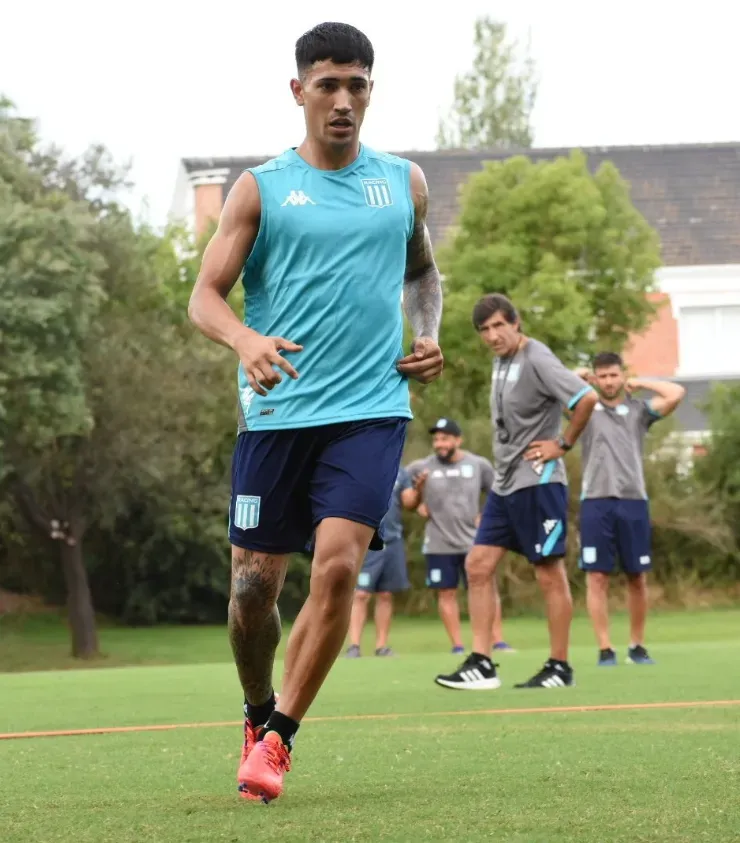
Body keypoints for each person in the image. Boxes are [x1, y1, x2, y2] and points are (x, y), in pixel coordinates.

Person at [187, 22, 443, 803]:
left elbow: (424, 274)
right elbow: (203, 297)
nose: (342, 101)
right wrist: (244, 339)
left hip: (369, 411)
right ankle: (257, 708)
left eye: (356, 85)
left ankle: (280, 739)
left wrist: (427, 332)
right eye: (327, 85)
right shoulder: (260, 188)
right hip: (276, 415)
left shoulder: (403, 183)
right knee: (250, 595)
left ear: (371, 91)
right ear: (298, 91)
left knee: (337, 566)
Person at [435, 293, 597, 691]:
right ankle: (482, 663)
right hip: (506, 486)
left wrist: (563, 443)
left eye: (498, 326)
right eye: (485, 330)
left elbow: (585, 398)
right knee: (477, 566)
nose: (493, 335)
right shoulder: (501, 361)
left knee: (548, 573)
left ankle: (559, 666)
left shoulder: (536, 357)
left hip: (538, 483)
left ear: (516, 322)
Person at [575, 352, 685, 666]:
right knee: (597, 577)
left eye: (614, 375)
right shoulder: (585, 408)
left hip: (633, 501)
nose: (609, 382)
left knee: (637, 577)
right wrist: (581, 375)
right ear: (595, 379)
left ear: (622, 376)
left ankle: (636, 646)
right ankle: (605, 649)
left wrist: (640, 382)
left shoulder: (639, 410)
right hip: (595, 502)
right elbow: (555, 388)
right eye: (603, 376)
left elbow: (676, 394)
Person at [405, 418, 513, 655]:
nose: (439, 444)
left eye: (444, 438)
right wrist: (417, 497)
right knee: (447, 593)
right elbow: (406, 501)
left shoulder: (478, 465)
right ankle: (457, 645)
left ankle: (498, 641)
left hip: (475, 542)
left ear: (458, 440)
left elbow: (499, 492)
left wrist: (487, 516)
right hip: (438, 542)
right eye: (436, 439)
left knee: (486, 589)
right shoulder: (421, 468)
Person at [345, 467, 415, 657]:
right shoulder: (363, 467)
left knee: (385, 594)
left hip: (393, 541)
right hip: (369, 540)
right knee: (361, 594)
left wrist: (421, 489)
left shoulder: (402, 472)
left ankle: (381, 646)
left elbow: (410, 502)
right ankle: (354, 646)